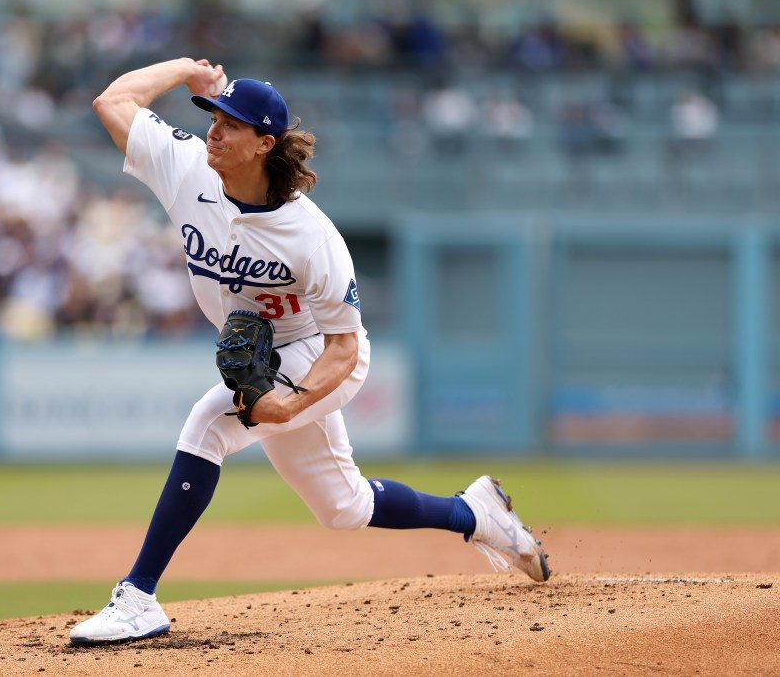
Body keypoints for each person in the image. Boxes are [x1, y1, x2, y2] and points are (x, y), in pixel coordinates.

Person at [69, 58, 550, 646]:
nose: (212, 132)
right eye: (212, 119)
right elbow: (112, 103)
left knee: (208, 425)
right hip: (270, 357)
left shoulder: (312, 237)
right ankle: (476, 515)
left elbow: (345, 348)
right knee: (342, 506)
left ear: (263, 145)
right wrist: (188, 72)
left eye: (228, 124)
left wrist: (289, 404)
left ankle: (138, 596)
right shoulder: (187, 166)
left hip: (316, 352)